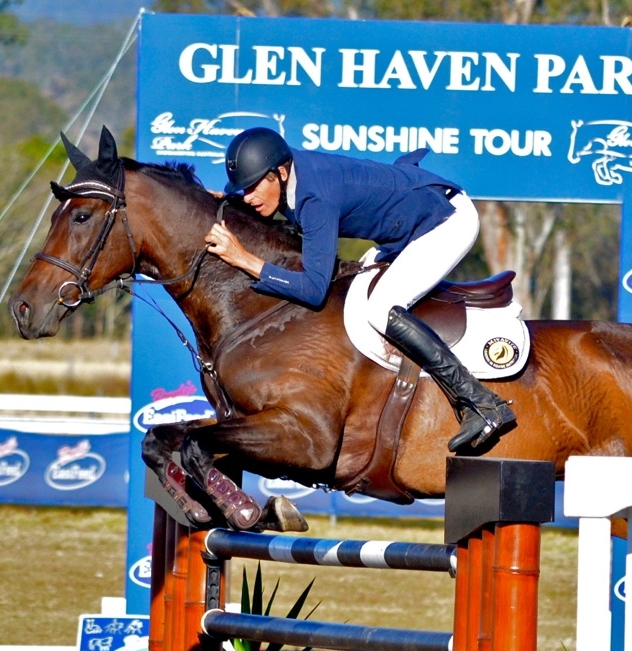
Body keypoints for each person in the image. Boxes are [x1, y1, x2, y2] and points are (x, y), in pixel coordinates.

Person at [205, 127, 516, 453]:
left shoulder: (315, 197)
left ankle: (481, 402)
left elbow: (313, 289)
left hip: (446, 221)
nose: (249, 196)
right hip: (405, 229)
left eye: (252, 187)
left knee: (382, 307)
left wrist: (244, 259)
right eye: (244, 189)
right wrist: (231, 201)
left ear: (280, 173)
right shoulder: (289, 172)